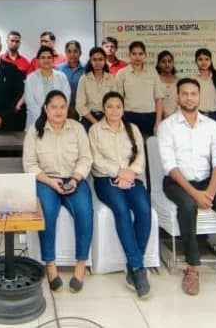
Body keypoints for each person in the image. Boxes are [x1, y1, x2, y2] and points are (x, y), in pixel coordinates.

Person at [158, 78, 216, 297]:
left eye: (193, 94)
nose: (189, 98)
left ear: (199, 97)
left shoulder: (212, 126)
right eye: (185, 94)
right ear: (177, 97)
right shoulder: (167, 126)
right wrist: (195, 194)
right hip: (177, 182)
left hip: (208, 181)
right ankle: (192, 267)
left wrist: (209, 193)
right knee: (188, 206)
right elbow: (170, 166)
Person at [23, 90, 93, 293]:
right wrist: (50, 182)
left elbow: (86, 158)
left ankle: (81, 264)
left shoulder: (77, 128)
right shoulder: (35, 131)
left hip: (74, 179)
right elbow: (29, 164)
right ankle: (50, 264)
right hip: (46, 180)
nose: (58, 111)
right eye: (54, 107)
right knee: (47, 212)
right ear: (46, 109)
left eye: (62, 107)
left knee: (84, 211)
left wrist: (75, 179)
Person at [89, 91, 151, 298]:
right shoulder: (95, 131)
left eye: (118, 106)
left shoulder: (132, 129)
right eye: (110, 106)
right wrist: (118, 172)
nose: (114, 110)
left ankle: (133, 265)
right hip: (106, 179)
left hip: (132, 177)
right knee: (122, 210)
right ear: (103, 109)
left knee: (144, 210)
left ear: (123, 109)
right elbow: (96, 160)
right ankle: (138, 268)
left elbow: (140, 156)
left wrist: (129, 173)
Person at [115, 41, 163, 137]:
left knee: (148, 145)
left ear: (145, 55)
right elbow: (118, 100)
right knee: (130, 145)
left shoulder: (152, 72)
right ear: (129, 55)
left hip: (149, 116)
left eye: (140, 54)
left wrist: (158, 122)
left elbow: (159, 98)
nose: (137, 57)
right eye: (134, 54)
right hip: (129, 115)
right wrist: (120, 119)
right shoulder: (122, 73)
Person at [24, 46, 71, 130]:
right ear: (38, 60)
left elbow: (66, 98)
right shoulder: (30, 78)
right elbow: (30, 103)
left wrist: (54, 114)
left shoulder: (61, 77)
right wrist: (46, 116)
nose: (46, 60)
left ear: (53, 60)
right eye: (43, 57)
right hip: (36, 120)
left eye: (49, 57)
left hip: (58, 119)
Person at [75, 46, 116, 131]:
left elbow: (115, 102)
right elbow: (80, 105)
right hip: (88, 116)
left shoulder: (111, 78)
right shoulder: (84, 79)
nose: (97, 62)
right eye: (94, 59)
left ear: (105, 61)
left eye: (100, 59)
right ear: (90, 61)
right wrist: (96, 122)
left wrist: (104, 120)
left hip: (107, 116)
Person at [189, 48, 216, 121]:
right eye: (200, 59)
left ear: (211, 61)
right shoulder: (191, 78)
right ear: (196, 61)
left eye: (207, 59)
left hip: (215, 115)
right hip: (197, 114)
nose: (204, 62)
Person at [57, 40, 84, 115]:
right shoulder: (59, 69)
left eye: (75, 51)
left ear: (80, 53)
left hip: (82, 109)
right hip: (63, 108)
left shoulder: (86, 69)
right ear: (65, 53)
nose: (72, 54)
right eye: (69, 51)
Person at [156, 50, 178, 118]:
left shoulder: (179, 81)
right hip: (158, 117)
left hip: (176, 117)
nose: (167, 64)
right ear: (158, 64)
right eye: (163, 62)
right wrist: (163, 114)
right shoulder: (155, 80)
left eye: (169, 61)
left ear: (173, 63)